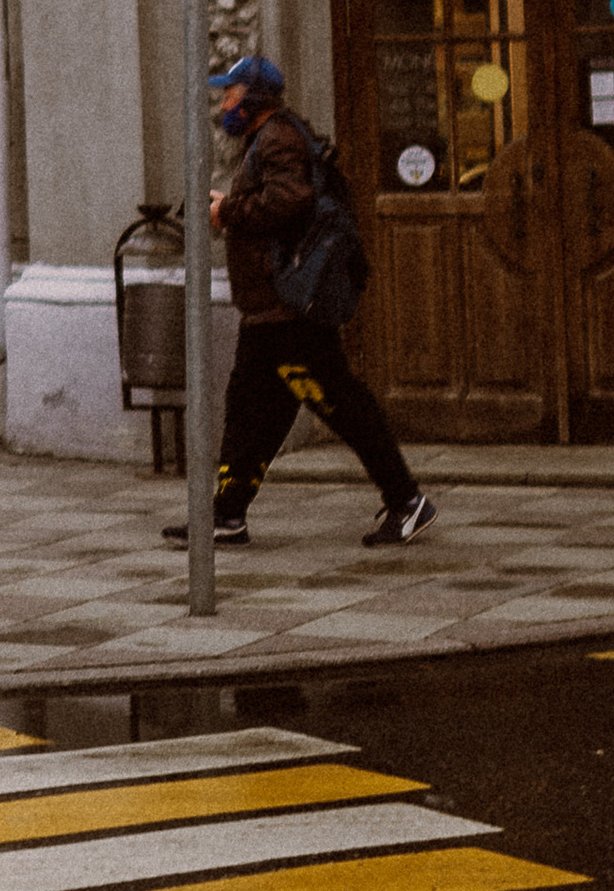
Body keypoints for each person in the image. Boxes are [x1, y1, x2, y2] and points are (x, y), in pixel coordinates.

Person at [166, 52, 434, 551]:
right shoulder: (269, 139)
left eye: (231, 93)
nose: (224, 102)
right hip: (271, 309)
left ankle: (406, 500)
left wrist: (229, 209)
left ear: (255, 99)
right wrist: (232, 204)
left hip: (287, 310)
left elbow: (290, 200)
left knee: (341, 404)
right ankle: (227, 515)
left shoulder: (279, 138)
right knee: (254, 411)